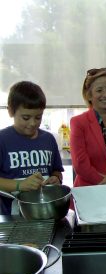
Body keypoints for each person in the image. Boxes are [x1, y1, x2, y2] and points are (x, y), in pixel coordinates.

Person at [0, 81, 64, 215]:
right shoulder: (3, 139)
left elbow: (57, 171)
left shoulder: (48, 139)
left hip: (45, 212)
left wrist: (56, 179)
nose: (32, 123)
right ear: (11, 111)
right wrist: (20, 185)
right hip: (11, 217)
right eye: (26, 117)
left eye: (38, 117)